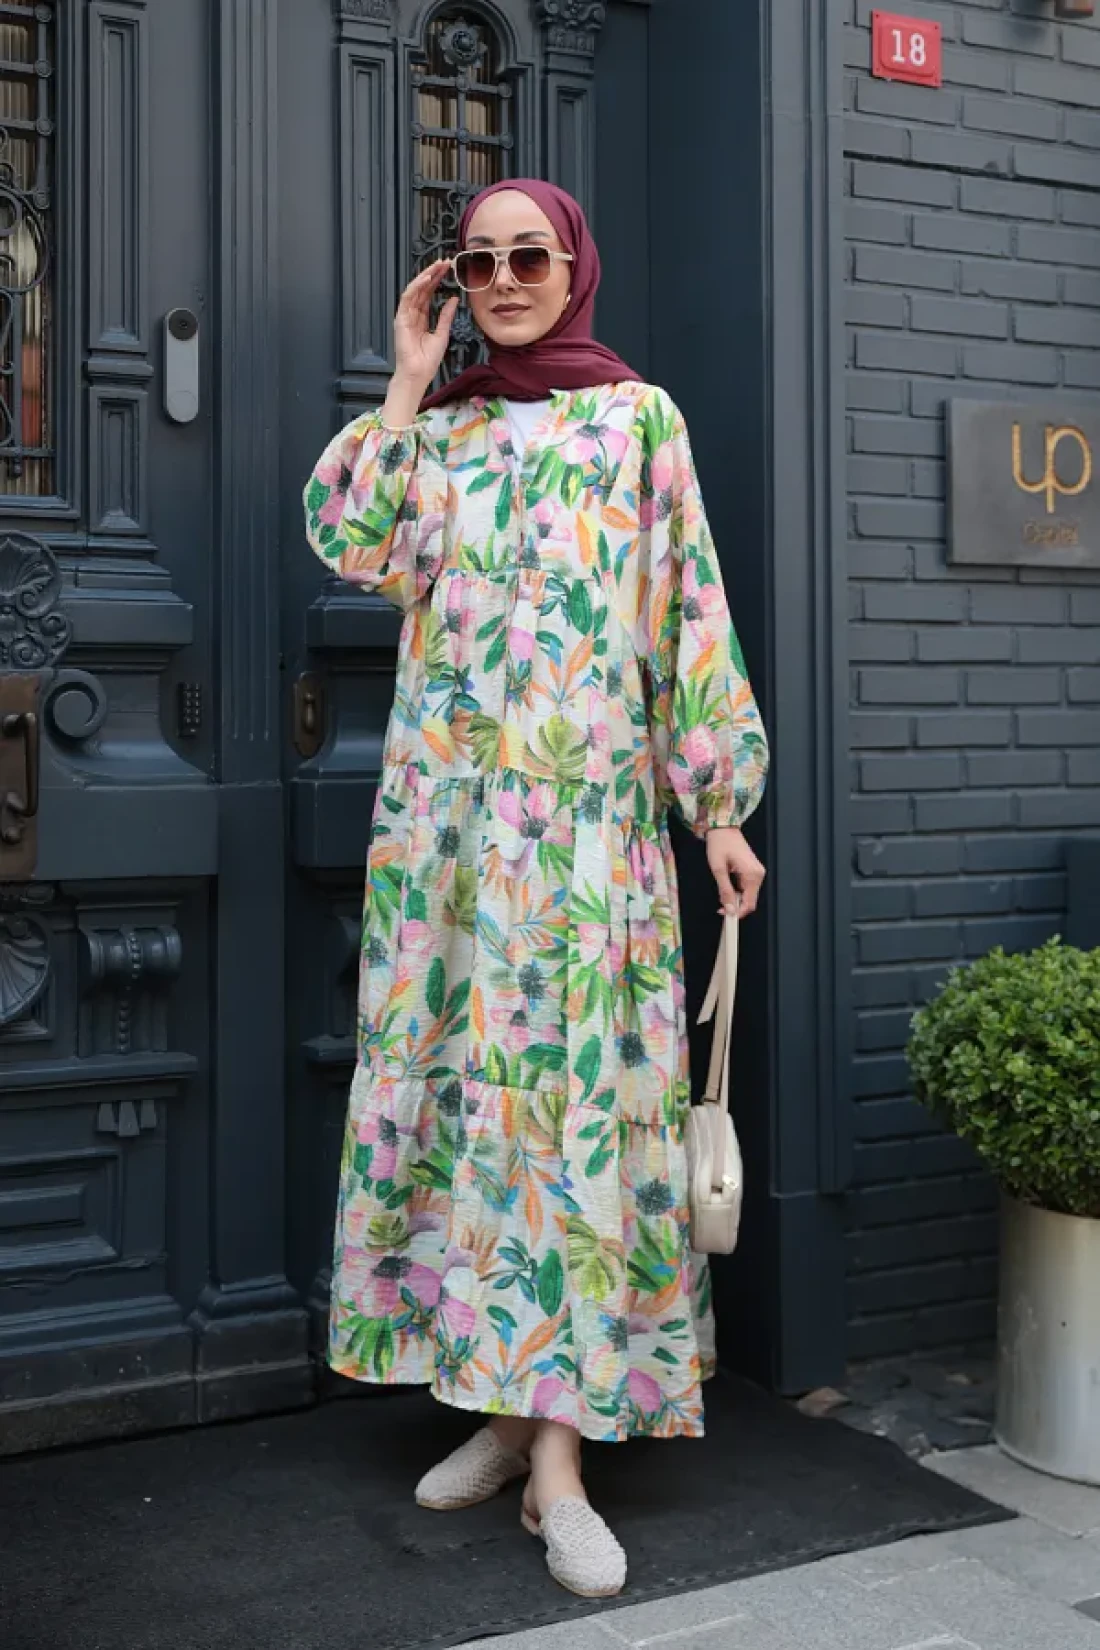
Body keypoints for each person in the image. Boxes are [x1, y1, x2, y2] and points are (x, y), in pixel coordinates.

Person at [303, 179, 768, 1600]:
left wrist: (717, 806)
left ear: (577, 267)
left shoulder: (638, 422)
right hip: (448, 842)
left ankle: (559, 1463)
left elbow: (687, 613)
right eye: (480, 260)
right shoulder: (437, 434)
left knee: (567, 1125)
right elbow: (350, 540)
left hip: (584, 844)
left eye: (531, 256)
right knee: (475, 1118)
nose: (505, 279)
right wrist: (406, 375)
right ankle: (504, 1420)